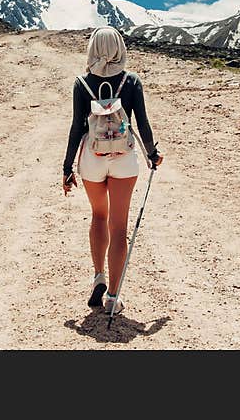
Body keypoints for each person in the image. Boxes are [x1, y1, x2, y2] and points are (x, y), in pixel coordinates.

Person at [62, 27, 163, 316]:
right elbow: (141, 122)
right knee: (119, 226)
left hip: (92, 158)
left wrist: (67, 167)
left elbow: (76, 127)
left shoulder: (81, 83)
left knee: (99, 215)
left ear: (92, 49)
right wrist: (152, 154)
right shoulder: (131, 82)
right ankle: (113, 298)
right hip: (123, 159)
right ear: (120, 49)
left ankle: (98, 276)